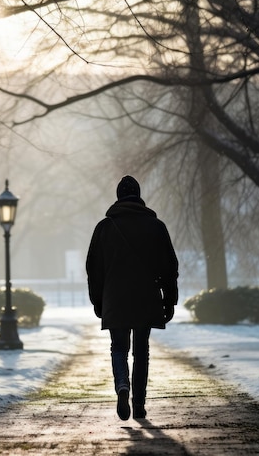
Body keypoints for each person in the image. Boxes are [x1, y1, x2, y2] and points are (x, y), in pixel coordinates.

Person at [86, 175, 179, 420]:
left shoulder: (104, 228)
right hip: (145, 297)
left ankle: (122, 386)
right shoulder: (155, 226)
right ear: (139, 196)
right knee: (141, 351)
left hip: (115, 299)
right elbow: (169, 266)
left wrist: (98, 300)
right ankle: (139, 404)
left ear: (118, 197)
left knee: (118, 348)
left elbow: (93, 267)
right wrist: (169, 299)